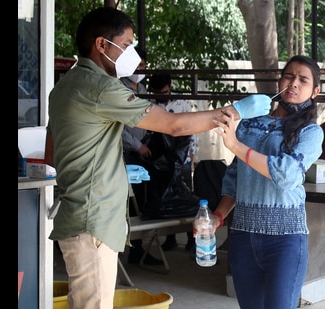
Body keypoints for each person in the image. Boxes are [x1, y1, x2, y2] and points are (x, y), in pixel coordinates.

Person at [44, 7, 271, 309]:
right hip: (92, 219)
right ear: (101, 44)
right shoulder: (99, 86)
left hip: (81, 215)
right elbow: (174, 125)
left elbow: (51, 153)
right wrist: (234, 112)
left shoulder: (65, 86)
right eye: (125, 45)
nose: (131, 54)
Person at [199, 55, 324, 309]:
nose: (294, 84)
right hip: (243, 237)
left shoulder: (310, 132)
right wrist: (217, 218)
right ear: (279, 81)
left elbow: (287, 175)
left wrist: (235, 145)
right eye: (289, 76)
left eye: (303, 80)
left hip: (286, 240)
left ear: (315, 91)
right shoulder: (249, 125)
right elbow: (234, 179)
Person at [118, 48, 164, 265]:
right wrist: (137, 146)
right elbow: (119, 128)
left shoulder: (143, 88)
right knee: (128, 199)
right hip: (125, 153)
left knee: (143, 196)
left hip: (142, 150)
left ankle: (137, 249)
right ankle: (125, 248)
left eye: (143, 66)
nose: (140, 70)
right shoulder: (118, 87)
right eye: (136, 66)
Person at [146, 73, 197, 252]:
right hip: (162, 159)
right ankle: (171, 238)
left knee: (186, 195)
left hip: (181, 155)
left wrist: (192, 152)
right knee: (166, 196)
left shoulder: (181, 103)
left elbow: (192, 128)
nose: (163, 95)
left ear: (170, 87)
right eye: (159, 92)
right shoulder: (150, 105)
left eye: (165, 91)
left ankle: (192, 237)